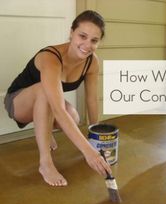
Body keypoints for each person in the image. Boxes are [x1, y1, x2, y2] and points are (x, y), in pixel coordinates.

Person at [4, 10, 112, 186]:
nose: (87, 44)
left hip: (45, 102)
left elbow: (91, 100)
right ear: (71, 32)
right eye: (82, 36)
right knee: (44, 93)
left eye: (94, 40)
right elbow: (58, 109)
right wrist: (88, 151)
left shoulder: (92, 62)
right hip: (18, 101)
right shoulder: (51, 57)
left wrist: (96, 139)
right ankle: (45, 163)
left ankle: (44, 130)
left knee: (74, 117)